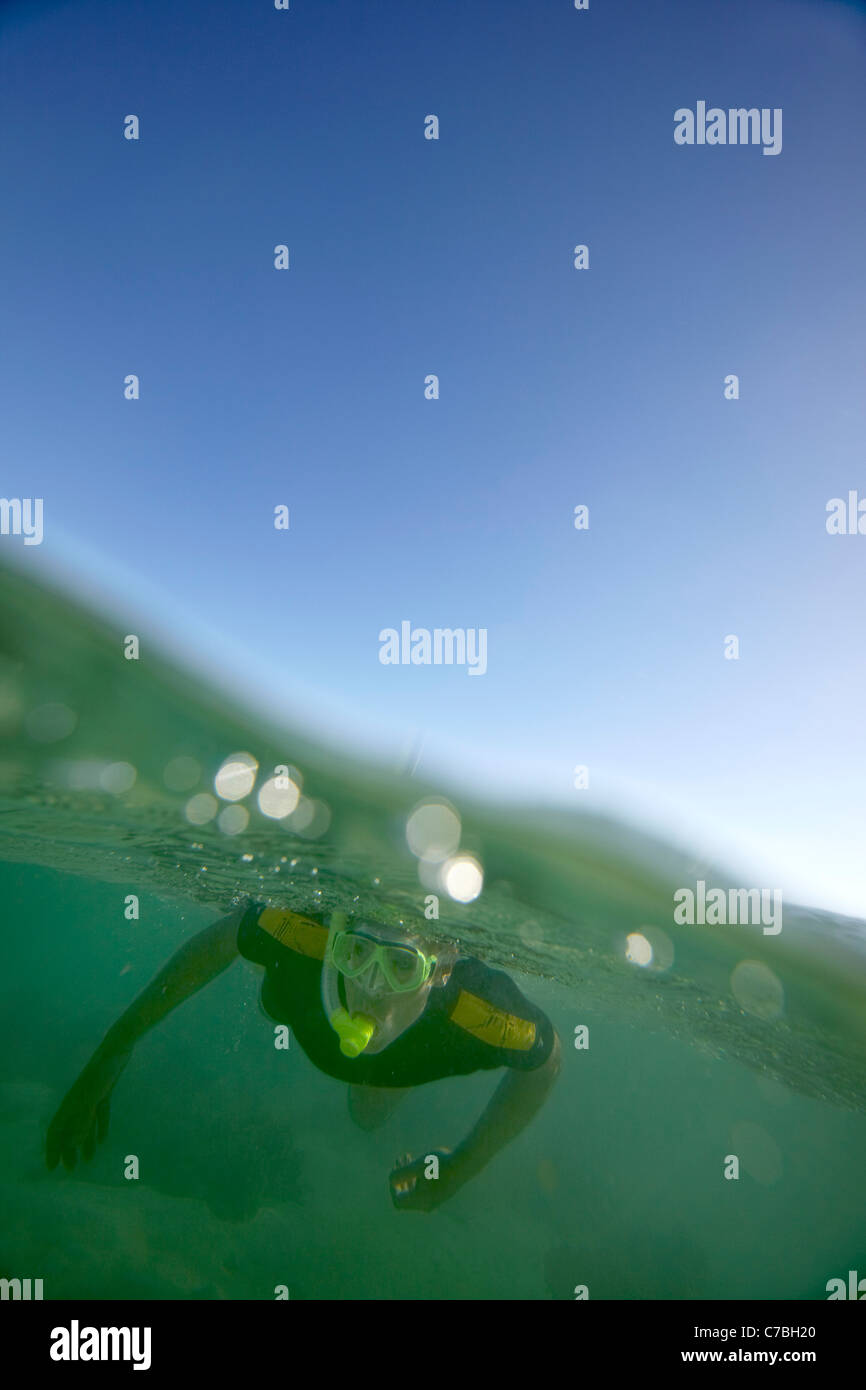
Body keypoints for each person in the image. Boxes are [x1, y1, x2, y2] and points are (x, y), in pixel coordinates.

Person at [46, 899, 561, 1211]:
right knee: (274, 995)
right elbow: (227, 936)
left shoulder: (476, 1008)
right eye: (356, 954)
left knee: (366, 1116)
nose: (371, 988)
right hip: (295, 1003)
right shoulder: (302, 937)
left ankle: (387, 1080)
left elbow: (547, 1061)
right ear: (336, 940)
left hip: (403, 1061)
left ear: (442, 970)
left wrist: (462, 1166)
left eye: (402, 967)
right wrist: (108, 1056)